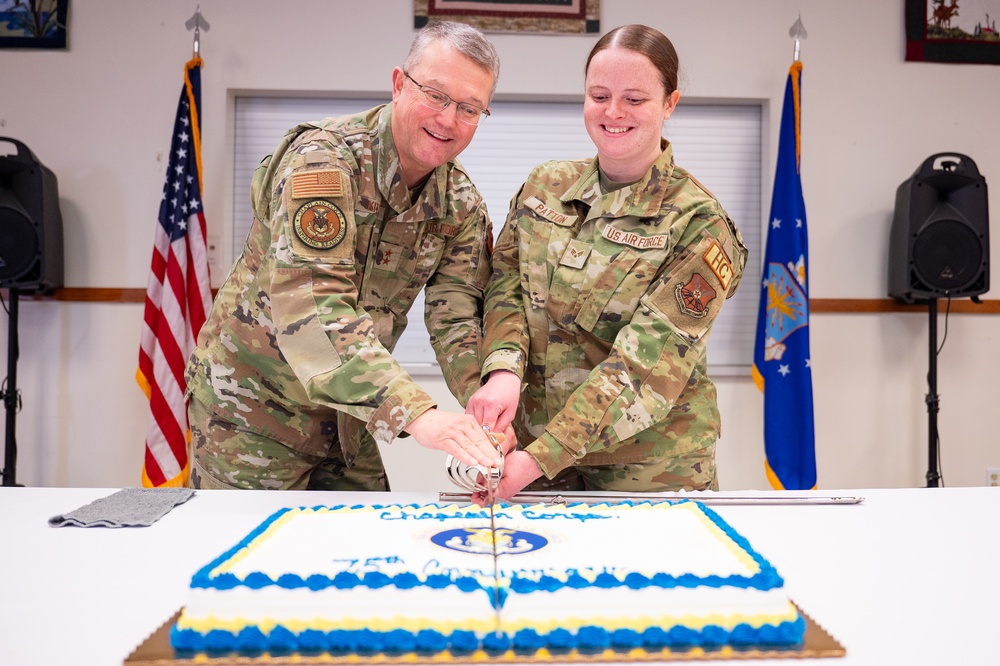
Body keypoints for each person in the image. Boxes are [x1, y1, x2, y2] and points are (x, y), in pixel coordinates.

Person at [185, 21, 503, 490]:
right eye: (435, 95)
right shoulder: (324, 162)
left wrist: (486, 404)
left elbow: (457, 319)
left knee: (371, 550)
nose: (448, 119)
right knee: (249, 557)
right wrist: (420, 415)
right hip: (252, 411)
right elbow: (313, 311)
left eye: (469, 108)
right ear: (399, 84)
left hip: (349, 417)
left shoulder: (459, 202)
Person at [467, 24, 748, 500]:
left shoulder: (699, 222)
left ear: (670, 103)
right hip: (531, 454)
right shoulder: (544, 186)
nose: (613, 112)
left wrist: (538, 459)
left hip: (649, 471)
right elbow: (506, 290)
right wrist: (503, 373)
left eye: (635, 99)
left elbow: (645, 369)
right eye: (599, 95)